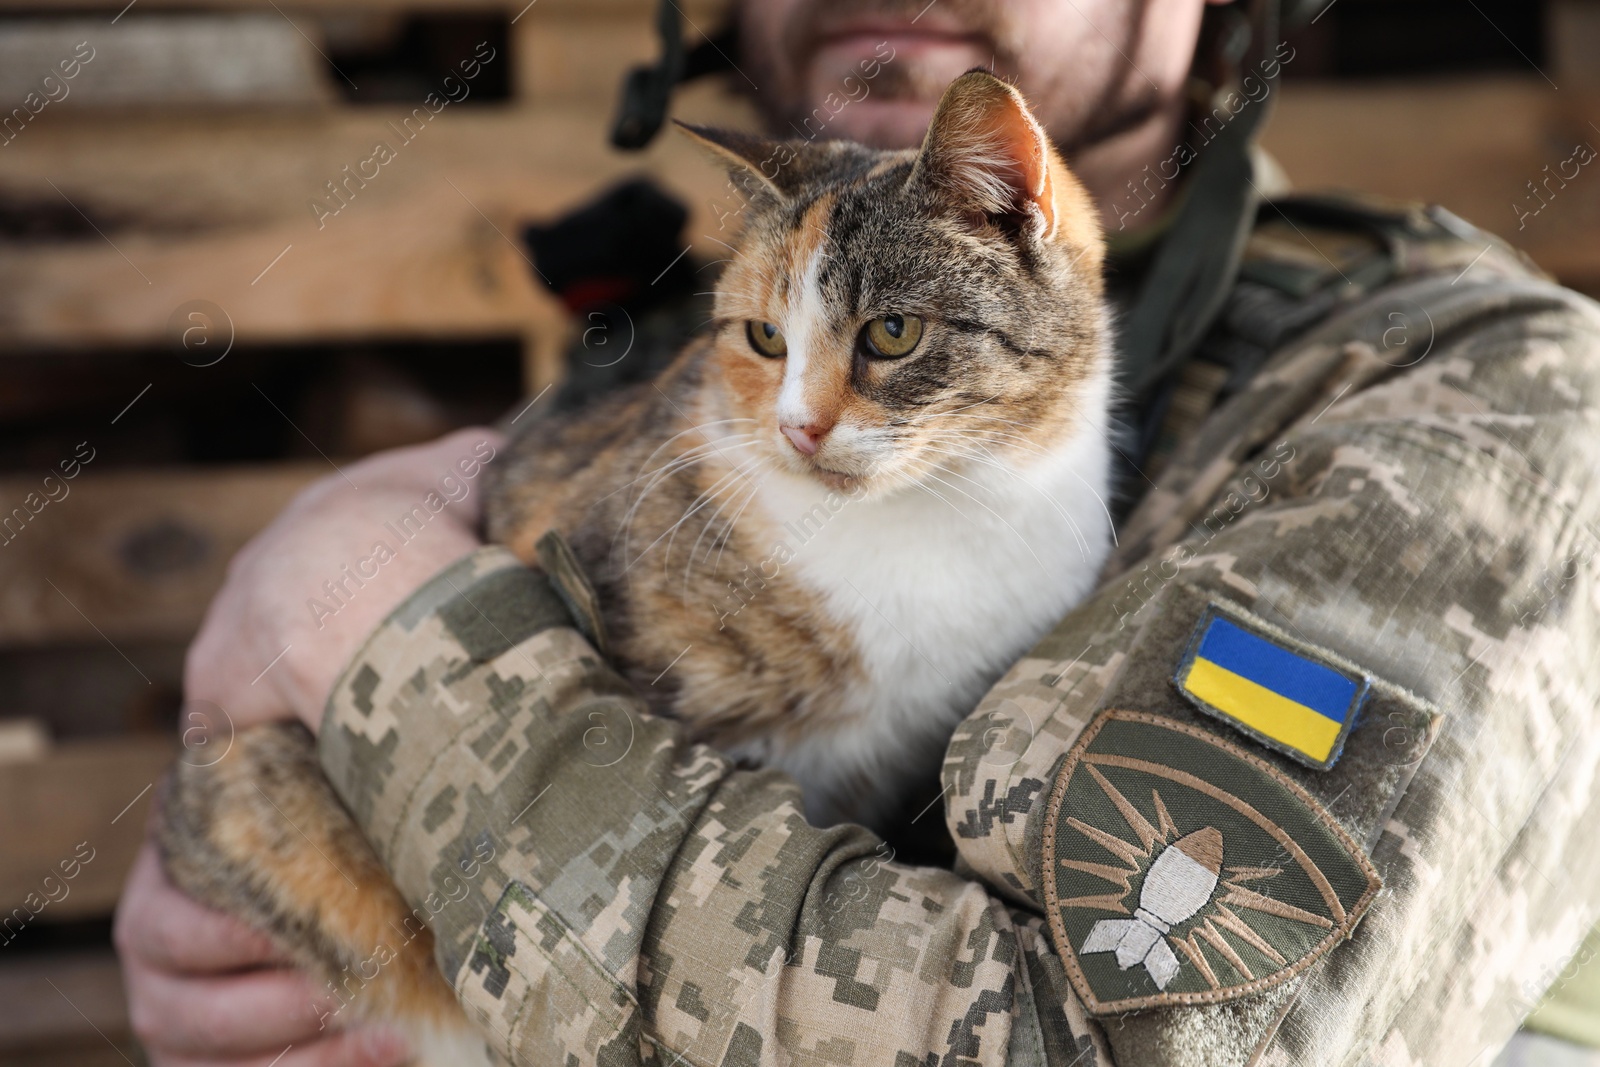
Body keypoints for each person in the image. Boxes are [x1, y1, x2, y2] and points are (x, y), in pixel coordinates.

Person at [115, 0, 1600, 1064]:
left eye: (876, 338)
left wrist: (366, 634)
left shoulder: (1490, 406)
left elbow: (1103, 1043)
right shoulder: (730, 347)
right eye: (764, 346)